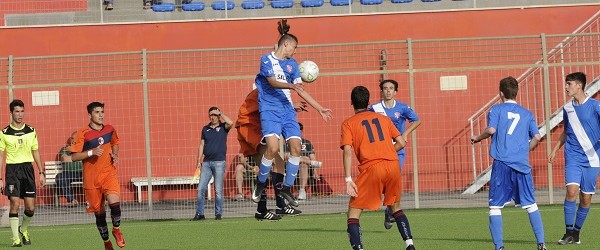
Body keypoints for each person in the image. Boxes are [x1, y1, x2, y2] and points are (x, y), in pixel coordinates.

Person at [251, 19, 333, 207]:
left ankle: (287, 189)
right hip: (269, 110)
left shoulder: (293, 65)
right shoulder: (266, 59)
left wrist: (319, 108)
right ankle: (261, 184)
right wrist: (290, 85)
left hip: (287, 112)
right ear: (285, 44)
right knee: (272, 148)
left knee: (296, 147)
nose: (295, 52)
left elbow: (300, 90)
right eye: (294, 47)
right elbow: (271, 81)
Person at [471, 76, 546, 250]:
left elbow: (491, 130)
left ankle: (499, 247)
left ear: (500, 93)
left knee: (495, 207)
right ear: (516, 92)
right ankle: (541, 244)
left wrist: (477, 137)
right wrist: (523, 151)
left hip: (502, 164)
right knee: (531, 204)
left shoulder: (496, 110)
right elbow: (536, 137)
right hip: (521, 164)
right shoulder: (527, 113)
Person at [341, 86, 408, 250]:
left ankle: (358, 247)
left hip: (372, 167)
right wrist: (387, 153)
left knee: (354, 212)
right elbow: (401, 142)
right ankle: (410, 244)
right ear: (368, 101)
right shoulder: (384, 119)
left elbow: (347, 150)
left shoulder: (348, 123)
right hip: (393, 165)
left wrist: (348, 179)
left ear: (351, 102)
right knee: (395, 207)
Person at [236, 88, 305, 221]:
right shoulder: (266, 88)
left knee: (277, 163)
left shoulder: (275, 88)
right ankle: (267, 208)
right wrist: (291, 106)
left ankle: (276, 206)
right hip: (249, 126)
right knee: (271, 162)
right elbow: (269, 105)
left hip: (256, 126)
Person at [548, 72, 600, 246]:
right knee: (571, 191)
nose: (566, 87)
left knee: (585, 198)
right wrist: (555, 149)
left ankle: (576, 233)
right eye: (566, 83)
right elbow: (566, 131)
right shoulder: (567, 108)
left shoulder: (595, 106)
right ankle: (568, 232)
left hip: (593, 158)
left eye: (569, 84)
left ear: (579, 85)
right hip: (573, 156)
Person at [369, 79, 421, 241]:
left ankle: (389, 211)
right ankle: (390, 209)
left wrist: (405, 134)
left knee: (393, 181)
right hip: (380, 150)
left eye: (391, 88)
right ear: (382, 91)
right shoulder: (375, 108)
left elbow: (417, 120)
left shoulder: (403, 108)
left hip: (397, 151)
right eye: (385, 88)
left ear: (395, 92)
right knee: (382, 182)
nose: (388, 91)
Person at [70, 102, 125, 250]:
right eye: (97, 112)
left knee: (115, 203)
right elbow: (74, 157)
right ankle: (107, 242)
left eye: (102, 112)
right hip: (91, 179)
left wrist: (115, 154)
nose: (101, 115)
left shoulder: (110, 129)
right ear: (89, 115)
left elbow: (115, 142)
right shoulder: (82, 133)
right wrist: (91, 152)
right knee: (99, 214)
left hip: (109, 173)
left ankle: (117, 230)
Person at [0, 99, 44, 247]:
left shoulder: (31, 131)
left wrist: (41, 172)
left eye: (22, 111)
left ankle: (23, 229)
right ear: (11, 112)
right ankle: (15, 239)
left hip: (27, 169)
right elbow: (1, 156)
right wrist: (0, 178)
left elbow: (35, 151)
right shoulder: (4, 133)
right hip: (12, 170)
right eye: (17, 111)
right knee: (14, 203)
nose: (20, 114)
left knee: (30, 208)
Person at [191, 107, 233, 221]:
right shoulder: (205, 129)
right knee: (200, 189)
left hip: (219, 162)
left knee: (218, 190)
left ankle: (218, 214)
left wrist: (221, 113)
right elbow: (201, 145)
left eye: (215, 114)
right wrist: (198, 160)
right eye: (211, 115)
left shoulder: (223, 127)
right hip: (206, 163)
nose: (212, 117)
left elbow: (231, 122)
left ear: (218, 116)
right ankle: (200, 214)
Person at [284, 122, 323, 200]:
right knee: (305, 159)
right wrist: (303, 159)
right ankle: (306, 161)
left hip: (303, 167)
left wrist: (315, 171)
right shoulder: (287, 142)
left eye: (300, 130)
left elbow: (312, 157)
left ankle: (302, 191)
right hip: (288, 165)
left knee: (303, 164)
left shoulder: (307, 143)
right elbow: (285, 156)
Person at [56, 131, 83, 206]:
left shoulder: (83, 149)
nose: (73, 140)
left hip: (82, 173)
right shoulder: (64, 149)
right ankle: (71, 200)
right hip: (68, 173)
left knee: (96, 175)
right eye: (72, 138)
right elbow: (64, 159)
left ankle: (99, 200)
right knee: (60, 177)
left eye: (75, 139)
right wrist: (79, 157)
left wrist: (71, 157)